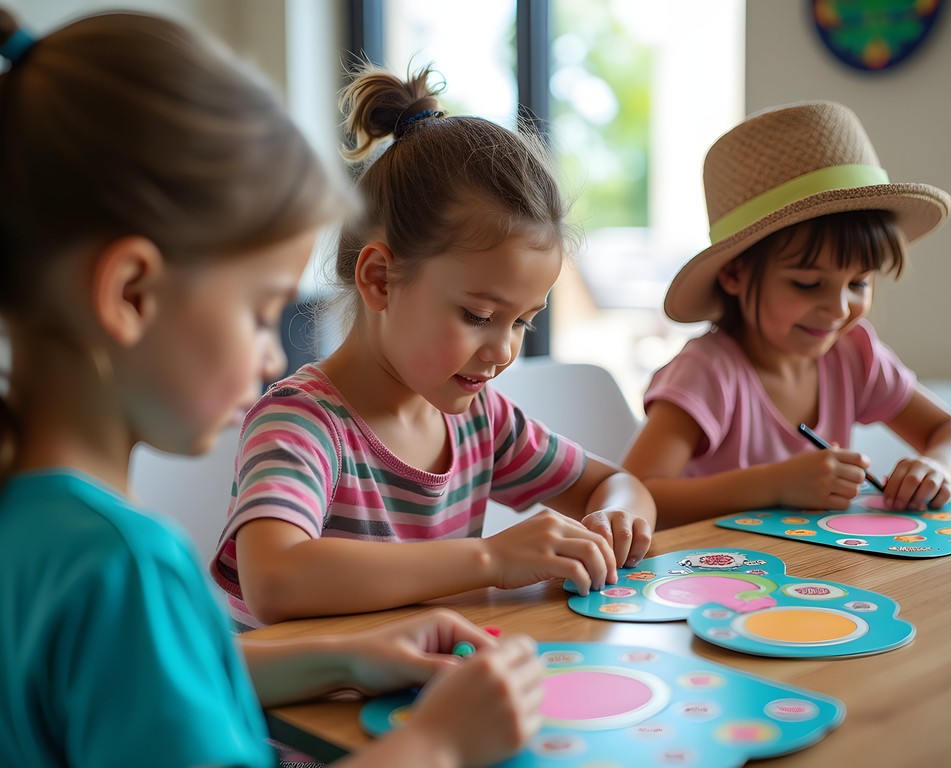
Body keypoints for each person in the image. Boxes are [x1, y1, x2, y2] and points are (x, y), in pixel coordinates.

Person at [0, 9, 544, 768]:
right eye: (260, 313)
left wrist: (345, 656)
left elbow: (154, 677)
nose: (268, 359)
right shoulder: (124, 566)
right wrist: (439, 745)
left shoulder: (34, 529)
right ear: (131, 295)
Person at [210, 64, 657, 630]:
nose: (503, 350)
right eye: (478, 316)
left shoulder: (482, 421)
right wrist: (490, 559)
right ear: (379, 280)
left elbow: (617, 484)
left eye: (523, 322)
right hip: (306, 714)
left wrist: (613, 522)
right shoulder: (302, 424)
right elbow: (276, 579)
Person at [621, 101, 951, 527]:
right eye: (808, 284)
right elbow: (634, 492)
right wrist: (774, 484)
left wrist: (937, 467)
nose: (837, 309)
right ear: (734, 275)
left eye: (859, 283)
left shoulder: (853, 353)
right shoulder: (707, 372)